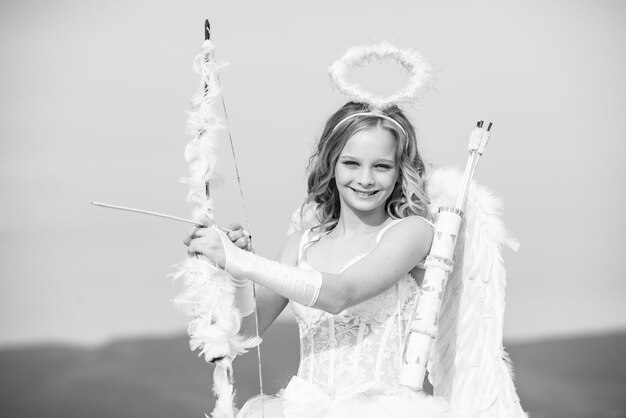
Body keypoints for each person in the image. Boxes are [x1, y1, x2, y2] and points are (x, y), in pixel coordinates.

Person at [184, 101, 452, 417]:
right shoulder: (299, 245)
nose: (365, 179)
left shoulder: (413, 232)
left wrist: (242, 261)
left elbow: (341, 294)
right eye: (351, 163)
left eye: (381, 166)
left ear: (399, 172)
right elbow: (244, 332)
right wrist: (234, 271)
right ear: (332, 164)